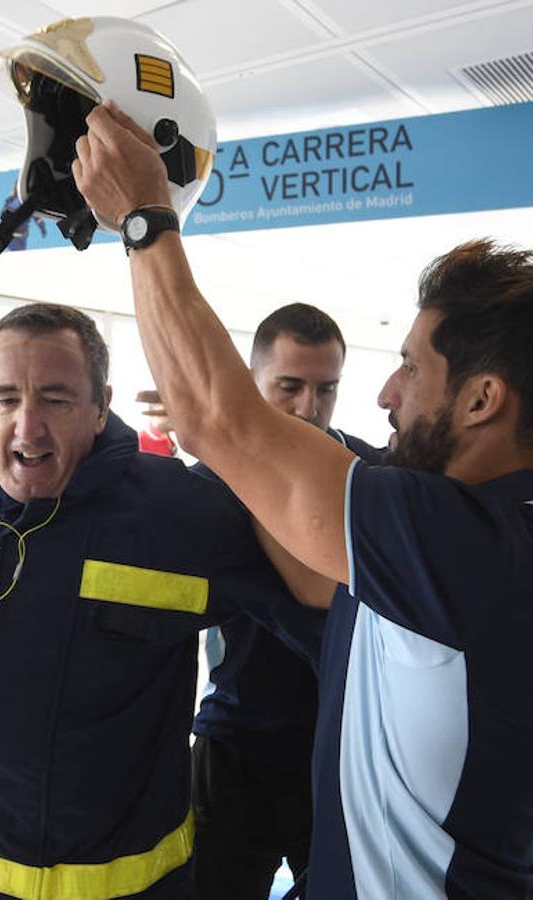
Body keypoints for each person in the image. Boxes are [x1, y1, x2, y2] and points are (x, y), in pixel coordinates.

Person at [73, 109, 533, 898]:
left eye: (410, 368)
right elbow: (313, 581)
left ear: (482, 400)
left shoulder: (464, 546)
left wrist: (142, 217)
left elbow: (213, 417)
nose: (385, 395)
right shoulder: (525, 523)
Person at [0, 303, 321, 900]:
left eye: (55, 398)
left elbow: (318, 629)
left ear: (101, 407)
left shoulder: (186, 520)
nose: (28, 427)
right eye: (6, 399)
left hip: (127, 886)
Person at [191, 302, 379, 899]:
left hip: (343, 748)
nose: (308, 408)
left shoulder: (370, 475)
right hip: (235, 740)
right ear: (253, 384)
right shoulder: (209, 482)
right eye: (289, 387)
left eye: (326, 389)